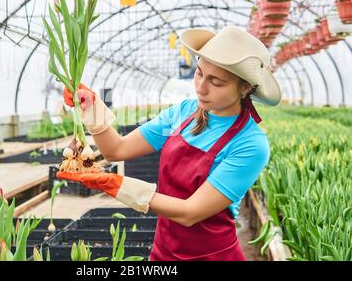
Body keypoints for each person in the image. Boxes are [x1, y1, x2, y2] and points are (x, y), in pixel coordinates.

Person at [58, 26, 282, 261]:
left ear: (245, 87)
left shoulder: (250, 144)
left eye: (216, 82)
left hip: (212, 256)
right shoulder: (183, 113)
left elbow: (189, 212)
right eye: (199, 73)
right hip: (164, 251)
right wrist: (91, 107)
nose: (201, 87)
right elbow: (117, 149)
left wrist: (113, 183)